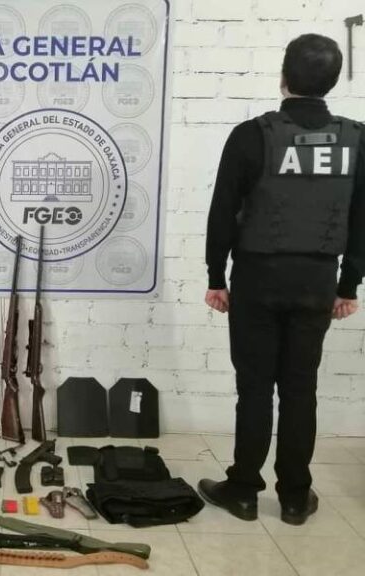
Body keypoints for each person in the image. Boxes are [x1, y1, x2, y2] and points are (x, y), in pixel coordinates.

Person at [199, 34, 365, 526]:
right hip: (317, 280)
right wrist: (348, 285)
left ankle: (243, 491)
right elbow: (361, 218)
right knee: (300, 389)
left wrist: (216, 276)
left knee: (254, 388)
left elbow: (222, 212)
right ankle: (294, 496)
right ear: (333, 81)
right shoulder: (357, 139)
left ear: (283, 77)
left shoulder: (251, 135)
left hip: (257, 278)